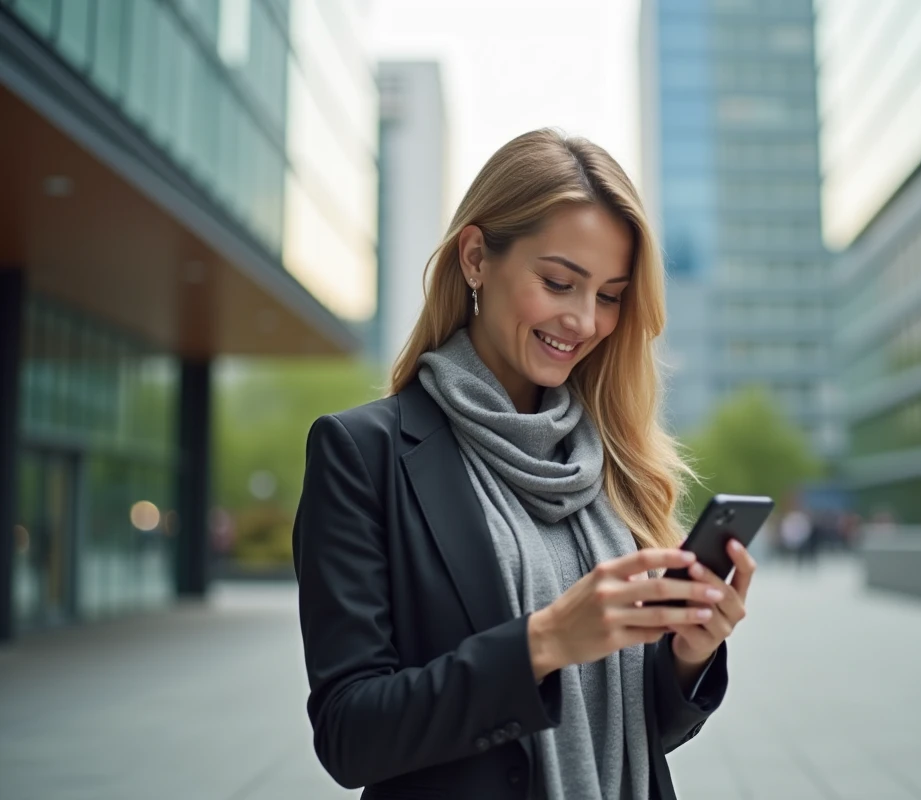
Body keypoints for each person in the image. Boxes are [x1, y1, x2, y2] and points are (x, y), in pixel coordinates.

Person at [292, 129, 754, 799]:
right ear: (476, 257)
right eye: (559, 282)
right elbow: (349, 735)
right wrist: (542, 644)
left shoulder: (608, 462)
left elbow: (626, 729)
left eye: (609, 294)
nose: (584, 320)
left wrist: (689, 656)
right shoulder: (363, 453)